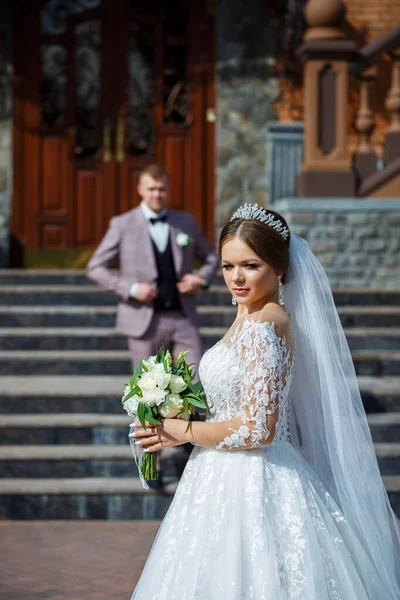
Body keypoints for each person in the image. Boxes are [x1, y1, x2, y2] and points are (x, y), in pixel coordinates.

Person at [129, 203, 400, 599]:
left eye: (251, 266)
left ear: (279, 267)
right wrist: (179, 412)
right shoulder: (250, 314)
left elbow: (260, 428)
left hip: (256, 479)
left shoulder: (264, 325)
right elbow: (239, 404)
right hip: (217, 473)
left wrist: (179, 430)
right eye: (227, 266)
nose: (236, 278)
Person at [87, 164, 219, 489]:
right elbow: (96, 267)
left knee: (197, 381)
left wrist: (200, 278)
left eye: (162, 189)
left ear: (167, 190)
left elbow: (212, 257)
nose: (157, 194)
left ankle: (193, 445)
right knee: (148, 393)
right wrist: (131, 289)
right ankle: (151, 461)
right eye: (151, 189)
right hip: (143, 320)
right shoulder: (122, 224)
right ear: (140, 190)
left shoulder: (184, 222)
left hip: (182, 316)